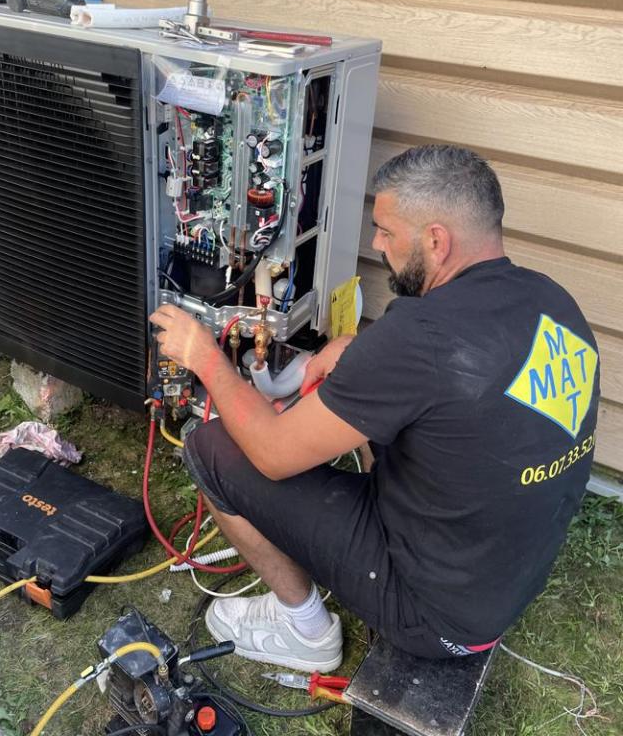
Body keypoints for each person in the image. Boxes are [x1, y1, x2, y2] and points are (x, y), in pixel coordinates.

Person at [150, 145, 599, 670]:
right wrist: (360, 357)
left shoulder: (420, 338)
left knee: (212, 447)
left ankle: (305, 632)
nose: (376, 243)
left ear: (436, 240)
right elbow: (453, 385)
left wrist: (205, 358)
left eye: (386, 231)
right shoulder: (552, 299)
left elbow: (272, 454)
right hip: (500, 578)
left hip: (434, 618)